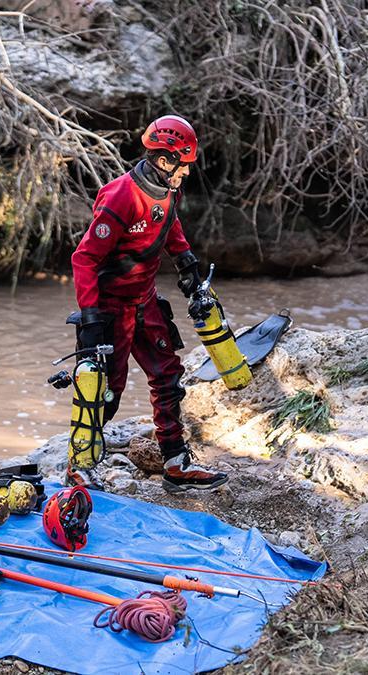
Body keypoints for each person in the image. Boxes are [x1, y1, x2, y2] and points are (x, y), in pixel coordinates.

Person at [69, 114, 228, 493]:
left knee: (168, 376)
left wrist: (185, 259)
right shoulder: (121, 197)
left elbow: (169, 225)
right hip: (111, 306)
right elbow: (84, 259)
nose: (187, 173)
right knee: (106, 390)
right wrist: (91, 317)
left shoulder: (167, 189)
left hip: (145, 301)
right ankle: (79, 466)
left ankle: (175, 463)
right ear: (163, 159)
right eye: (183, 165)